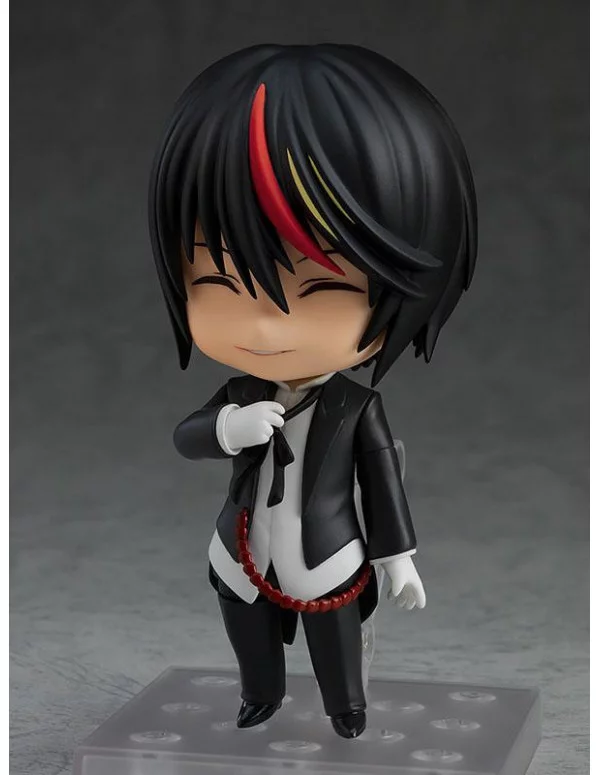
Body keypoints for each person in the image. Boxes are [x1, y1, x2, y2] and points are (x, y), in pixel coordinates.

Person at [148, 43, 477, 739]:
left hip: (326, 553)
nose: (266, 325)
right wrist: (228, 428)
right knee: (247, 628)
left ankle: (345, 707)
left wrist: (397, 557)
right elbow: (187, 436)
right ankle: (260, 694)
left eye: (322, 288)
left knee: (335, 642)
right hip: (241, 549)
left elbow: (381, 485)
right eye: (218, 280)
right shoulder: (239, 389)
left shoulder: (356, 407)